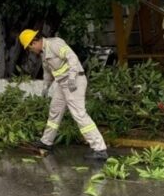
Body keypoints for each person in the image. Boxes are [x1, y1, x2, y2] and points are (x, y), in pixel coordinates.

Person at [19, 29, 108, 160]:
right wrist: (46, 87)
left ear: (34, 42)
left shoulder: (54, 44)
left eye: (29, 48)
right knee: (55, 110)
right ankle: (46, 142)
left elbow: (72, 57)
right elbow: (48, 72)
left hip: (74, 81)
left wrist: (72, 78)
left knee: (79, 114)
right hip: (63, 84)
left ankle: (99, 149)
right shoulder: (44, 53)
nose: (30, 51)